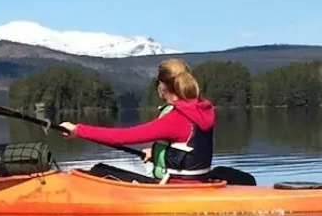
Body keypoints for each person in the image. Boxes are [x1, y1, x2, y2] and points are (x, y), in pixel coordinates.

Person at [59, 58, 216, 183]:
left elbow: (121, 137)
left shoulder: (176, 118)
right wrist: (156, 154)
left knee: (100, 170)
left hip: (175, 188)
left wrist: (77, 130)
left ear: (162, 87)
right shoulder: (203, 110)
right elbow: (190, 149)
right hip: (198, 182)